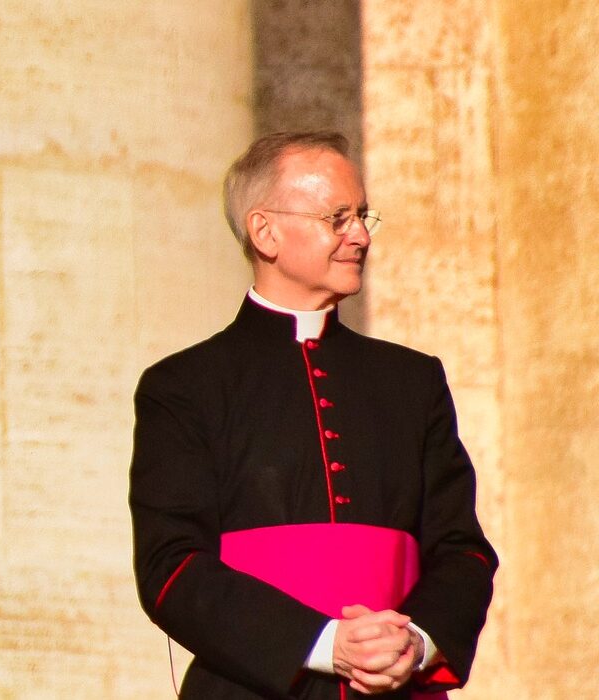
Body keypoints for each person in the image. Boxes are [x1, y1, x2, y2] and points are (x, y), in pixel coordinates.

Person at [129, 132, 497, 698]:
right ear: (265, 231)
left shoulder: (412, 381)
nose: (358, 235)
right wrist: (324, 642)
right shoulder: (184, 387)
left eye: (363, 216)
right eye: (337, 216)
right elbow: (171, 568)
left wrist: (416, 641)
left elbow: (462, 548)